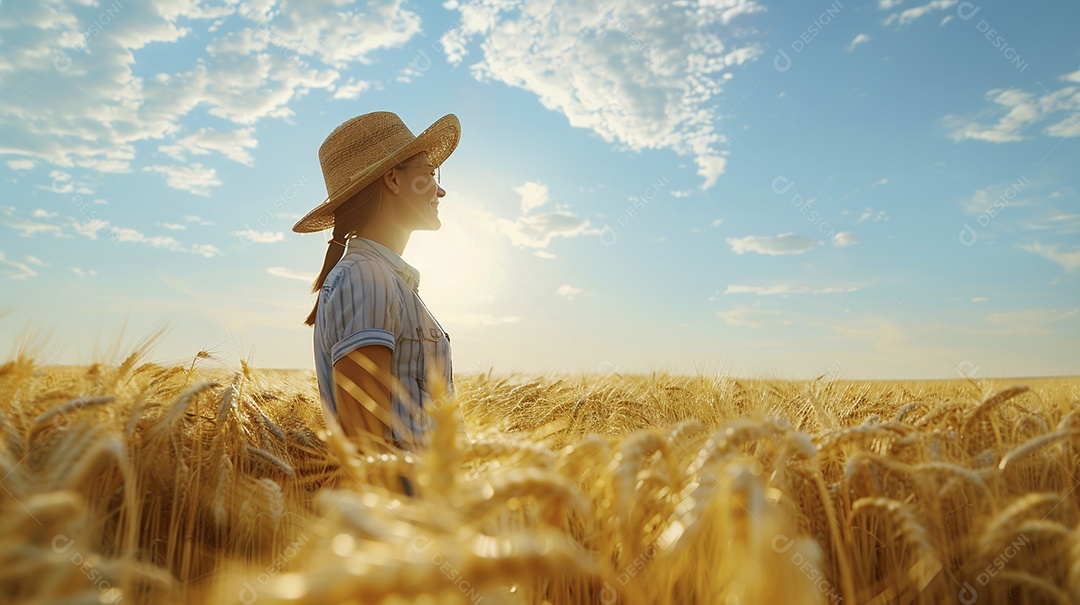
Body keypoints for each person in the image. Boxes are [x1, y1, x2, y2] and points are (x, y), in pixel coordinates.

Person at [292, 111, 460, 455]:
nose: (440, 190)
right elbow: (367, 448)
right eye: (429, 174)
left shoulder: (380, 277)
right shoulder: (367, 277)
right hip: (411, 508)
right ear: (393, 181)